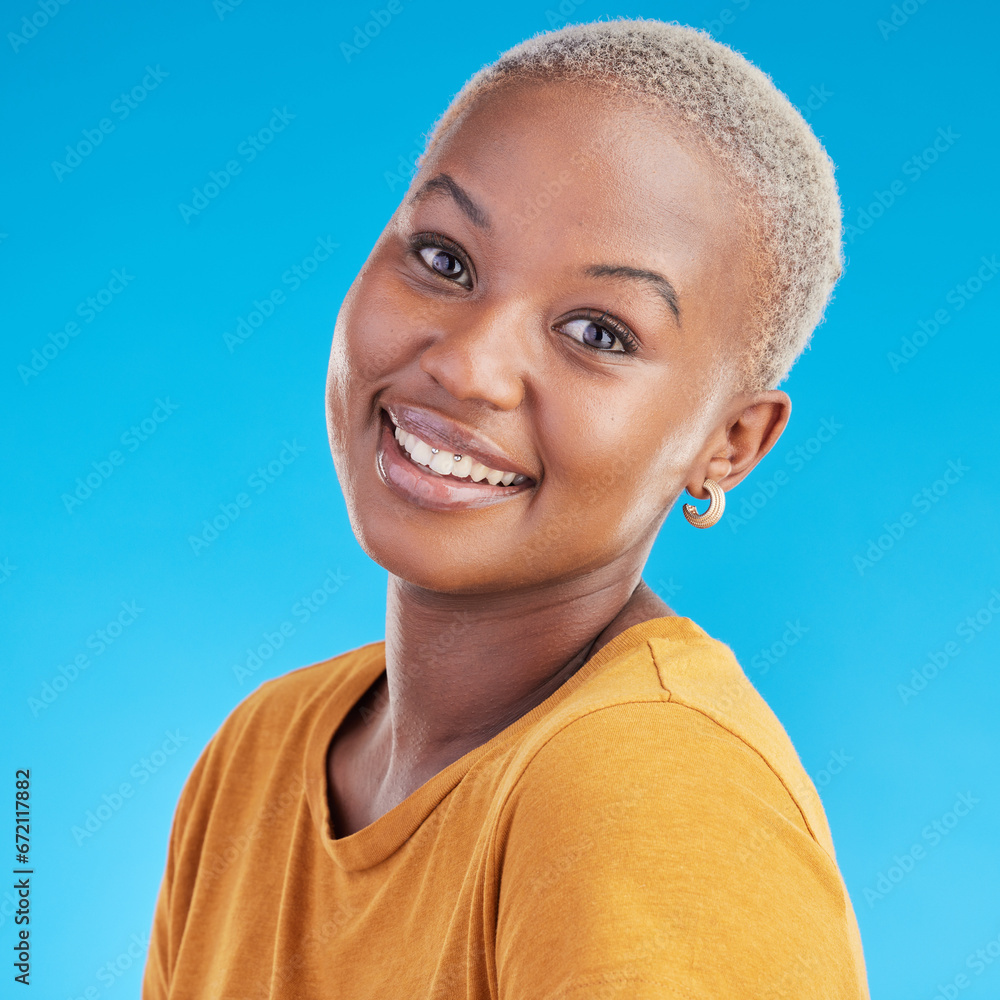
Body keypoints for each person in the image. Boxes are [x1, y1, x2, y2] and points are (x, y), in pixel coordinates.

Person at [143, 17, 869, 999]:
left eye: (596, 332)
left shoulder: (650, 789)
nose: (469, 365)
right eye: (443, 259)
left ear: (727, 443)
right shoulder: (259, 755)